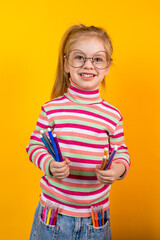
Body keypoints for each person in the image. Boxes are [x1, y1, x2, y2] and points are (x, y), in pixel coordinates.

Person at [26, 24, 130, 240]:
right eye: (79, 57)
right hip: (54, 215)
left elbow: (121, 151)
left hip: (96, 217)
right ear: (66, 63)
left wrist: (118, 169)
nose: (88, 65)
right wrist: (49, 165)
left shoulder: (112, 115)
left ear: (108, 67)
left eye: (98, 59)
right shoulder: (51, 109)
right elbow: (34, 145)